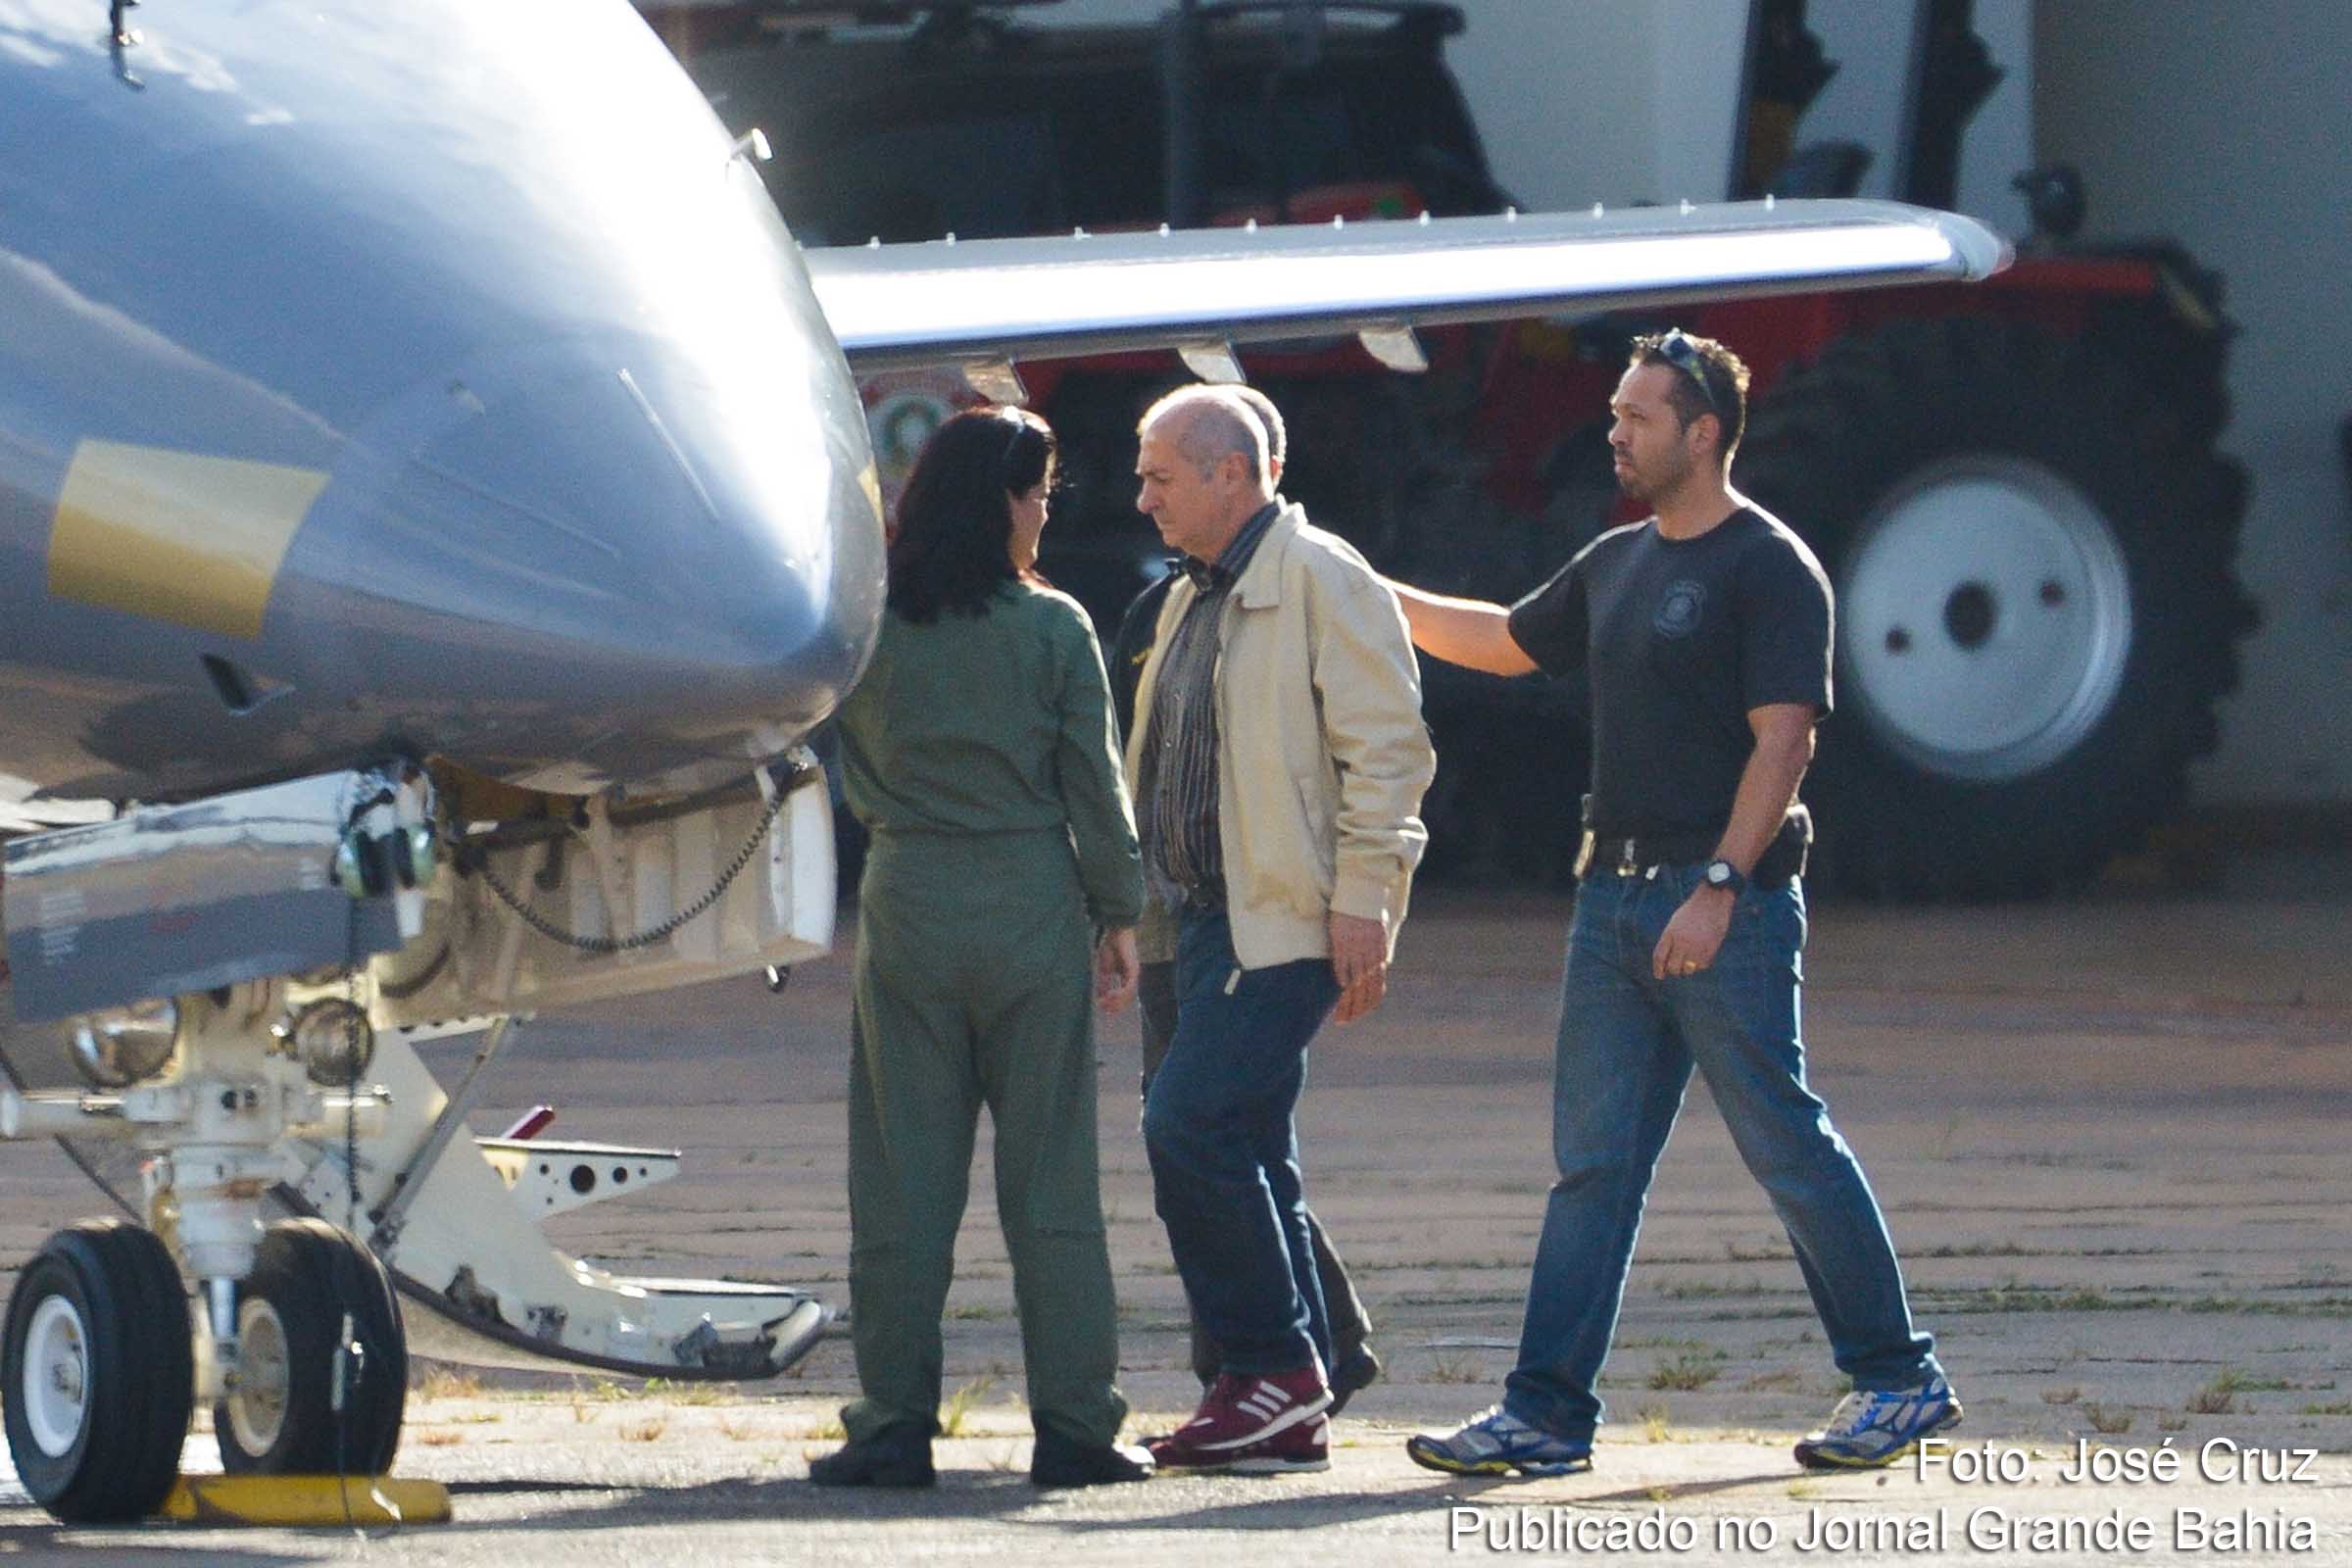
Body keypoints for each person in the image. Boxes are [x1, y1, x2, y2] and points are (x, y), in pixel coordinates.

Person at [1391, 330, 1958, 1478]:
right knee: (1592, 1166)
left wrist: (1718, 886)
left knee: (1786, 1145)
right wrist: (1365, 590)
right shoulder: (1614, 560)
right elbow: (1503, 643)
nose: (1616, 430)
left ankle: (1899, 1379)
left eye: (1639, 415)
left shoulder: (1770, 565)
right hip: (1608, 904)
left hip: (1720, 907)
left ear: (1703, 434)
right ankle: (1544, 1414)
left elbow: (1785, 738)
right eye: (1616, 411)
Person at [813, 406, 1154, 1491]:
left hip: (907, 896)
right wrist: (1118, 909)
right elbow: (1095, 790)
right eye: (1040, 493)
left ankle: (892, 1425)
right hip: (1029, 904)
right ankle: (1074, 1426)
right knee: (1052, 1182)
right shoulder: (1054, 629)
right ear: (1004, 501)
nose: (1047, 512)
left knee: (900, 1187)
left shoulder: (870, 626)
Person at [1125, 385, 1434, 1475]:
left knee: (1189, 1125)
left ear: (1230, 474)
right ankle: (1300, 1377)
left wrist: (1365, 900)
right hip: (1195, 922)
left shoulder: (1323, 576)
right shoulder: (1192, 592)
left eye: (1160, 474)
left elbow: (1388, 751)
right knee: (1246, 1140)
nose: (1142, 495)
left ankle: (1271, 1369)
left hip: (1281, 919)